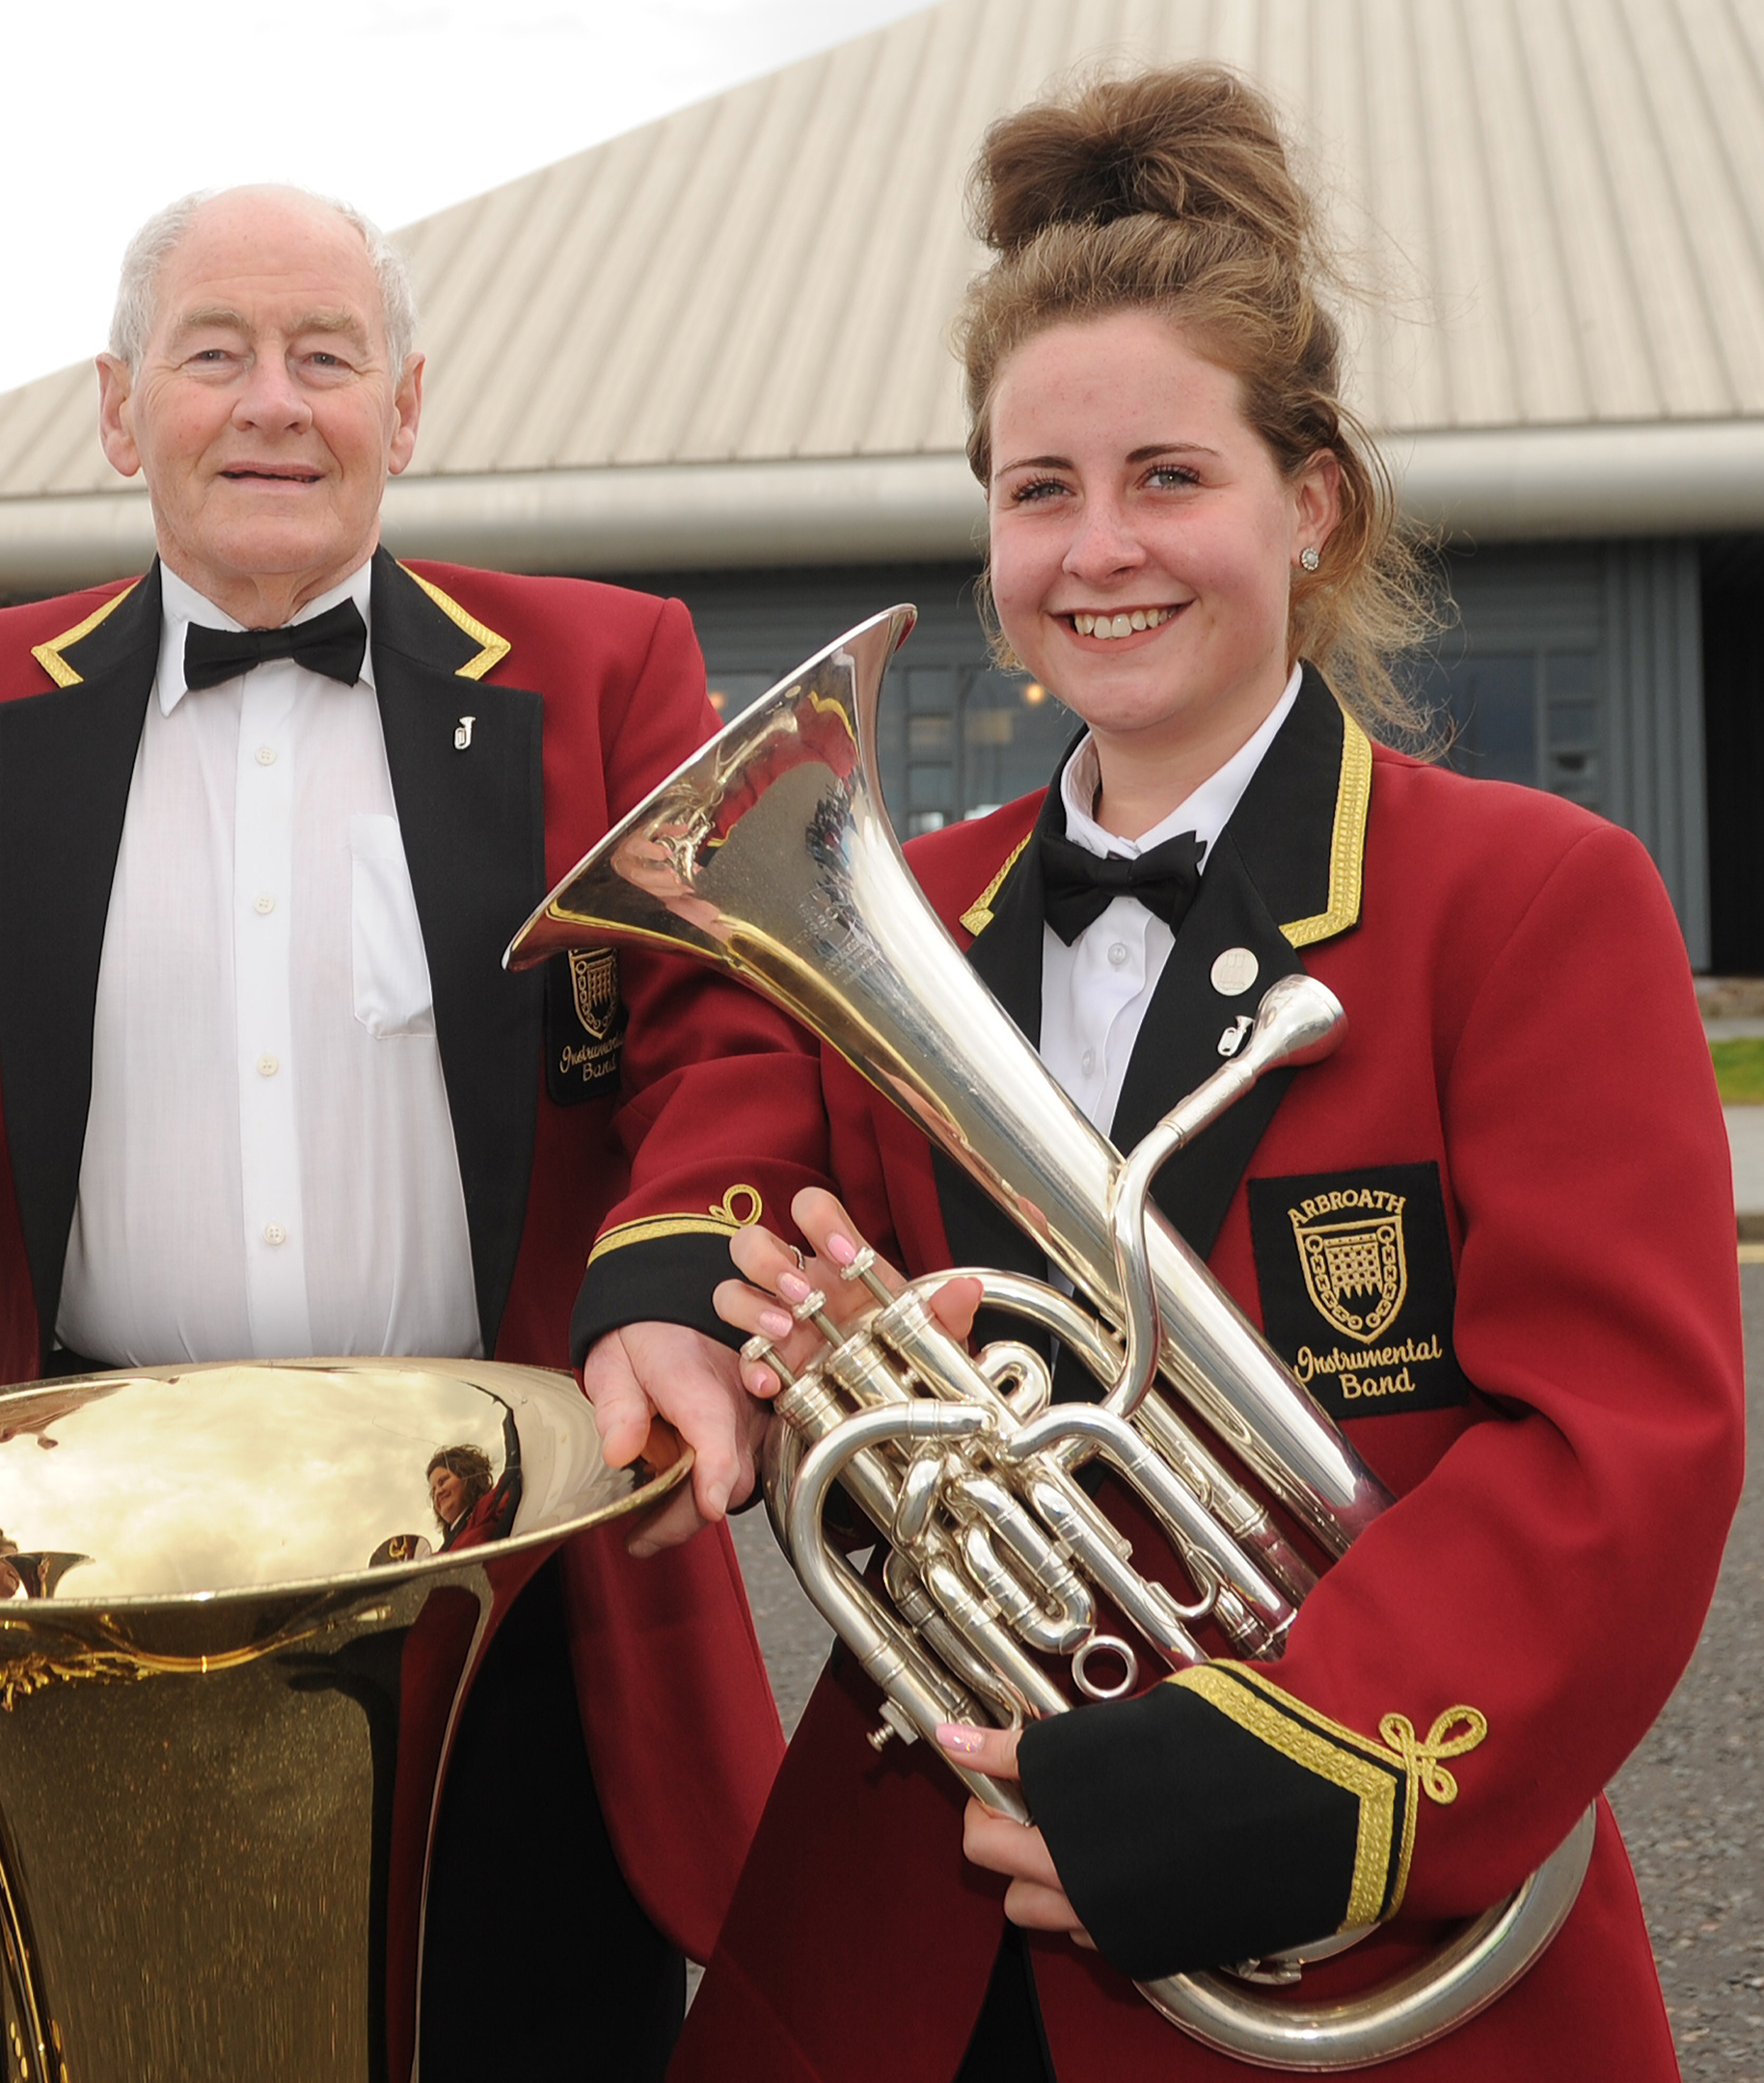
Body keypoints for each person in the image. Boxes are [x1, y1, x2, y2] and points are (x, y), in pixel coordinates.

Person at [615, 68, 1743, 2081]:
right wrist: (733, 1330)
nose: (1096, 550)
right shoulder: (892, 909)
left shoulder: (1529, 896)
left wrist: (1252, 1789)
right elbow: (726, 1139)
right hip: (918, 1929)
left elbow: (1622, 1456)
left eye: (1167, 478)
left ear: (1310, 504)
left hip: (1350, 1915)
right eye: (1037, 490)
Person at [0, 182, 791, 2081]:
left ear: (404, 411)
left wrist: (662, 1291)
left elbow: (722, 1033)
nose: (273, 405)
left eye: (327, 357)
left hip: (513, 1580)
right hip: (92, 1601)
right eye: (215, 354)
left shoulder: (604, 668)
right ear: (116, 403)